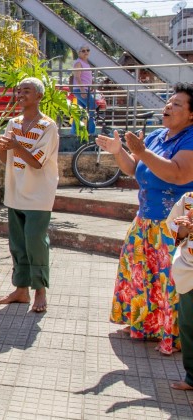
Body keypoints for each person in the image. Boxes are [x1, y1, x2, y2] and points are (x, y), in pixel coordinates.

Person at [98, 83, 193, 355]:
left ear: (191, 115)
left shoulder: (190, 139)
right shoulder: (157, 136)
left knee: (170, 280)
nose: (168, 106)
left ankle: (174, 335)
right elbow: (134, 168)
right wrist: (119, 151)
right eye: (168, 102)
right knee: (144, 275)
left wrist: (142, 152)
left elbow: (178, 174)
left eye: (177, 104)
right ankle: (147, 326)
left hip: (175, 225)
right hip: (145, 220)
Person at [0, 77, 60, 313]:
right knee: (18, 244)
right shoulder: (13, 123)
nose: (20, 94)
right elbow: (6, 158)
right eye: (19, 91)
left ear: (39, 96)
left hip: (39, 195)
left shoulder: (48, 126)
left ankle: (40, 291)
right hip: (15, 192)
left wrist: (17, 145)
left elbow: (37, 163)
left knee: (35, 241)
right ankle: (21, 290)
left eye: (27, 90)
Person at [166, 193, 193, 390]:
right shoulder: (188, 199)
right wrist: (183, 230)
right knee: (188, 324)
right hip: (188, 271)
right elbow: (173, 226)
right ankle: (192, 377)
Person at [72, 44, 96, 134]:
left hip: (85, 89)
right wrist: (82, 90)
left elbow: (86, 77)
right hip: (80, 89)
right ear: (79, 53)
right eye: (83, 51)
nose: (86, 52)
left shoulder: (85, 63)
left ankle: (74, 132)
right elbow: (77, 77)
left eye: (87, 50)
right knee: (92, 107)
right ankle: (91, 132)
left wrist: (91, 85)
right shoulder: (78, 63)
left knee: (80, 112)